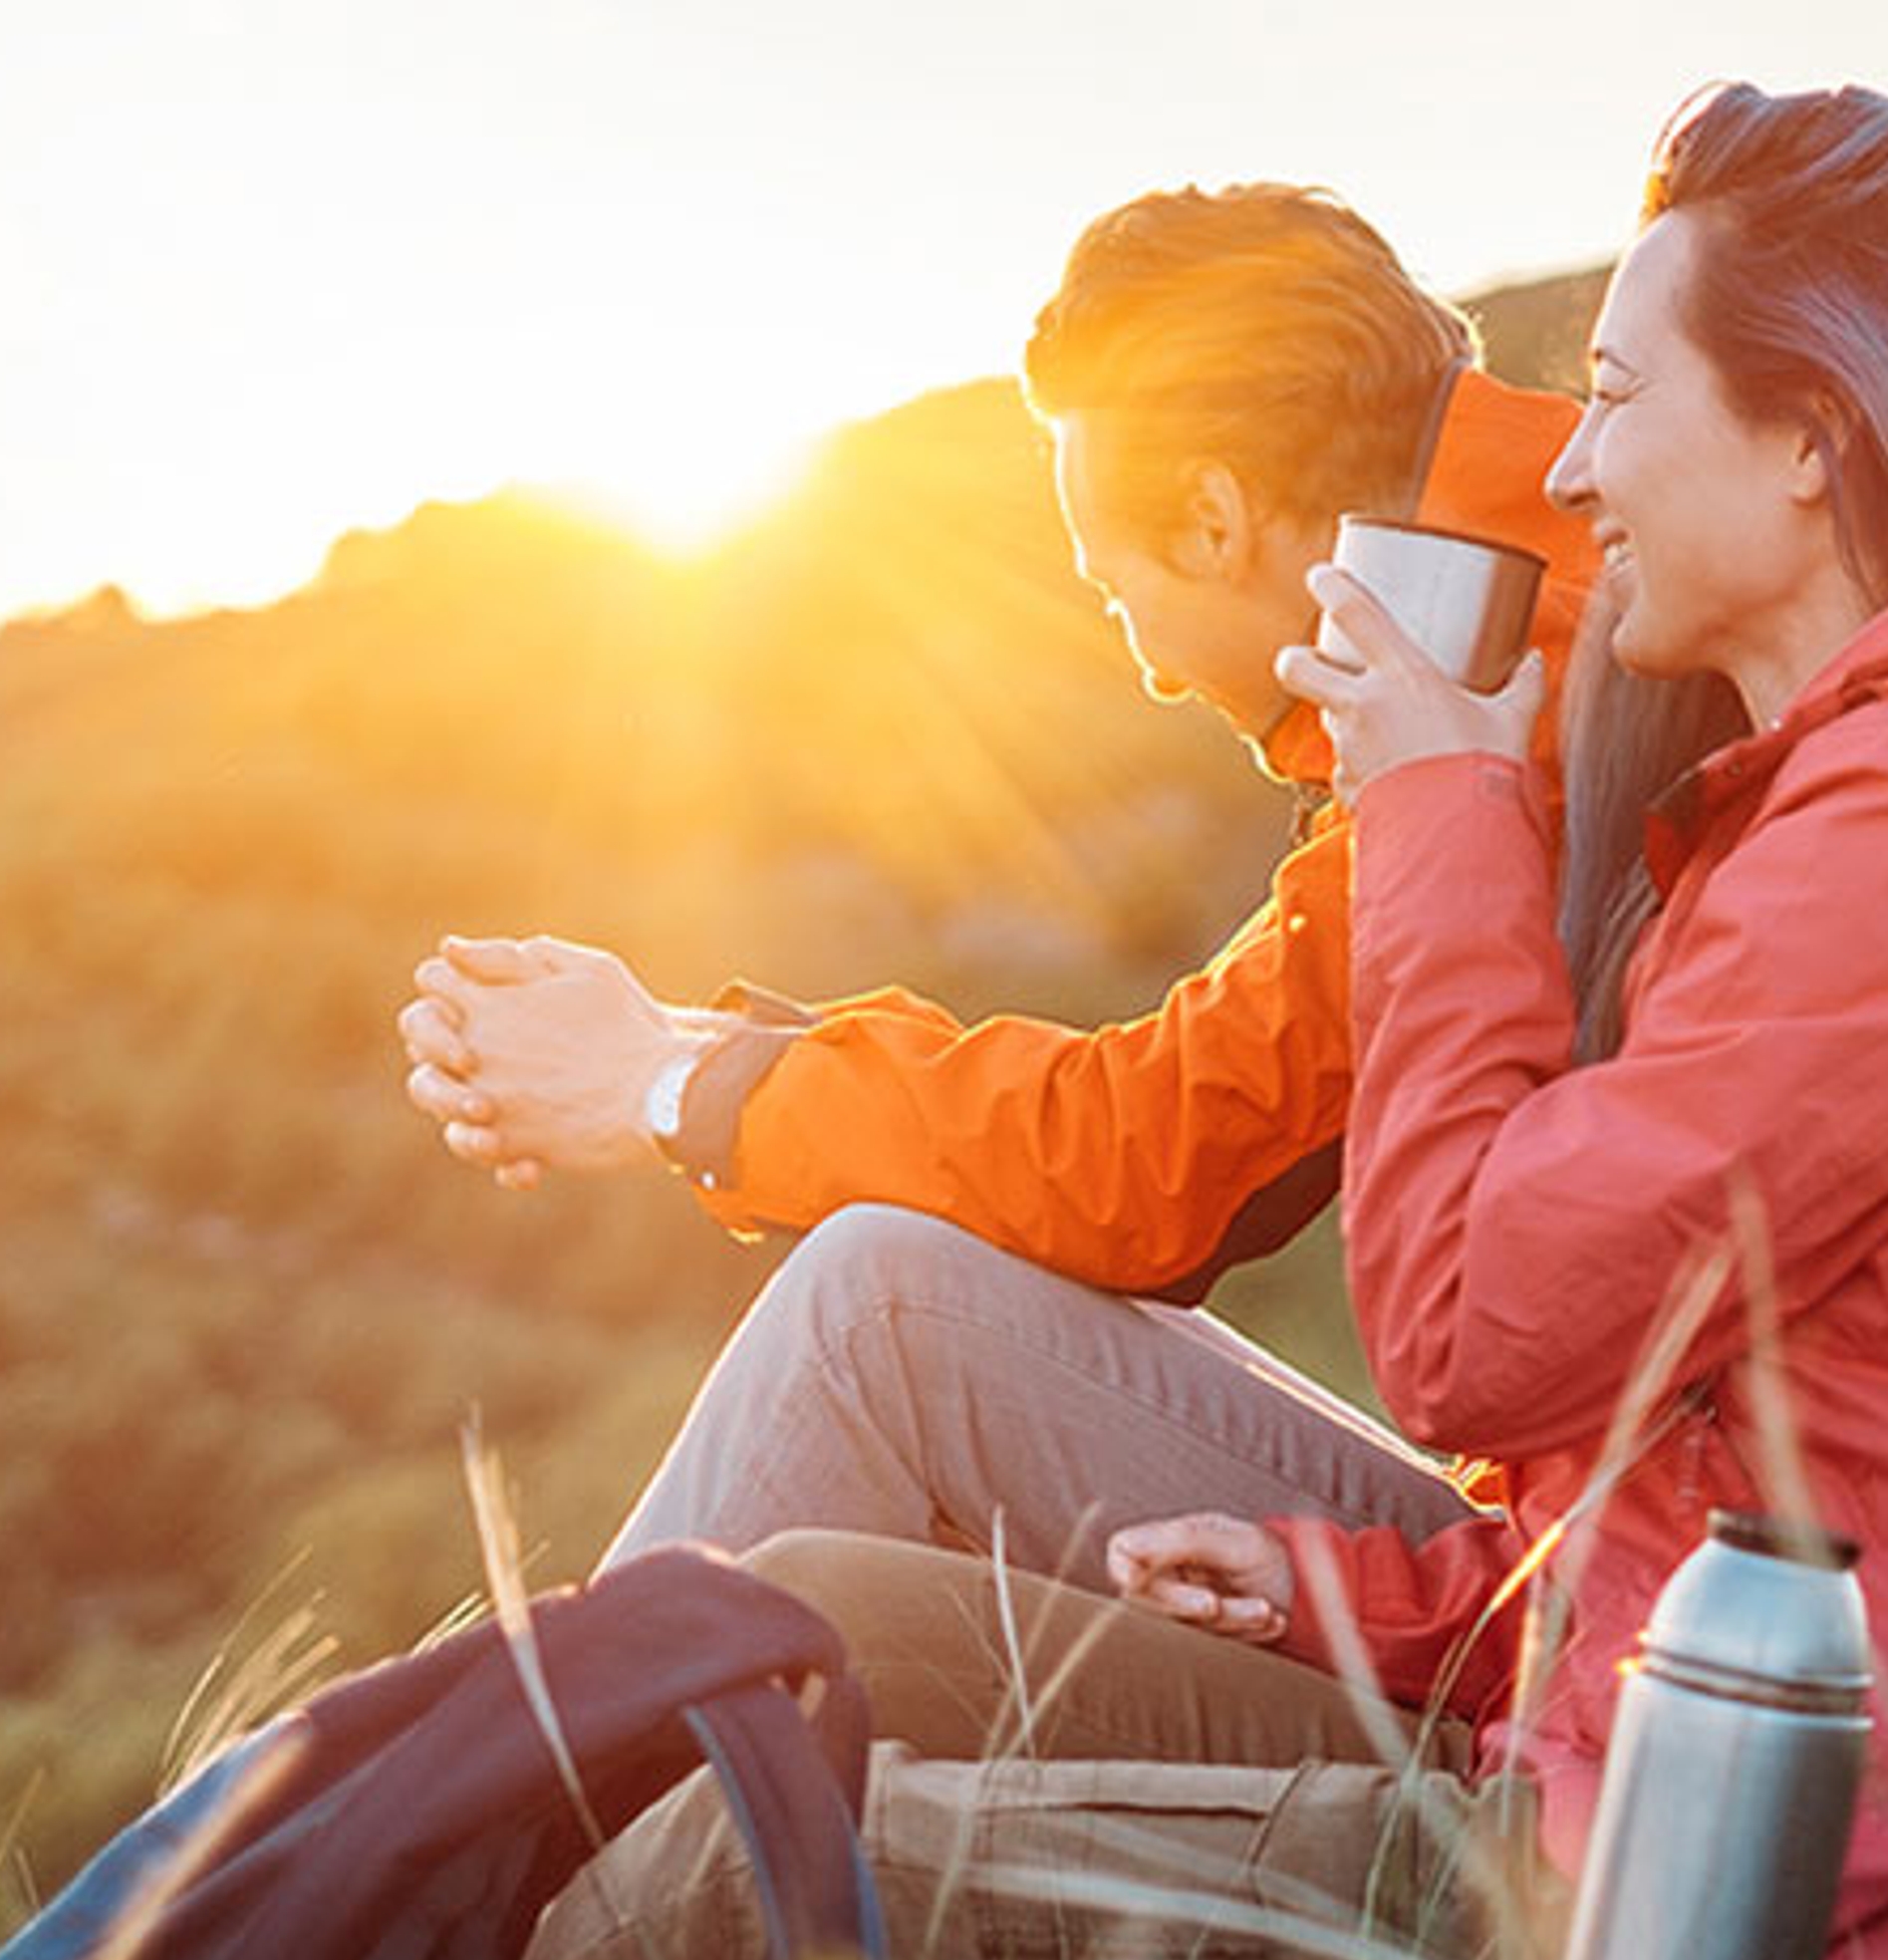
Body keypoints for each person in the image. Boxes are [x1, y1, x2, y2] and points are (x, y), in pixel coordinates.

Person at [475, 82, 1888, 1960]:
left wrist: (1437, 801)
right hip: (1662, 1764)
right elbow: (1771, 1464)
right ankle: (349, 1931)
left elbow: (1470, 1334)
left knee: (737, 1877)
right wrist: (1358, 1596)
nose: (1569, 465)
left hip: (1728, 1941)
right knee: (792, 1631)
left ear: (1815, 440)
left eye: (1618, 395)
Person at [393, 183, 1599, 1589]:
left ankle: (513, 1790)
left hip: (1583, 1604)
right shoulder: (1557, 582)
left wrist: (675, 1094)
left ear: (1215, 520)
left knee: (879, 1306)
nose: (1145, 658)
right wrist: (692, 1048)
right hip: (1583, 1546)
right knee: (883, 1309)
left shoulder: (1523, 682)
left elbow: (1149, 1162)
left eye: (1113, 587)